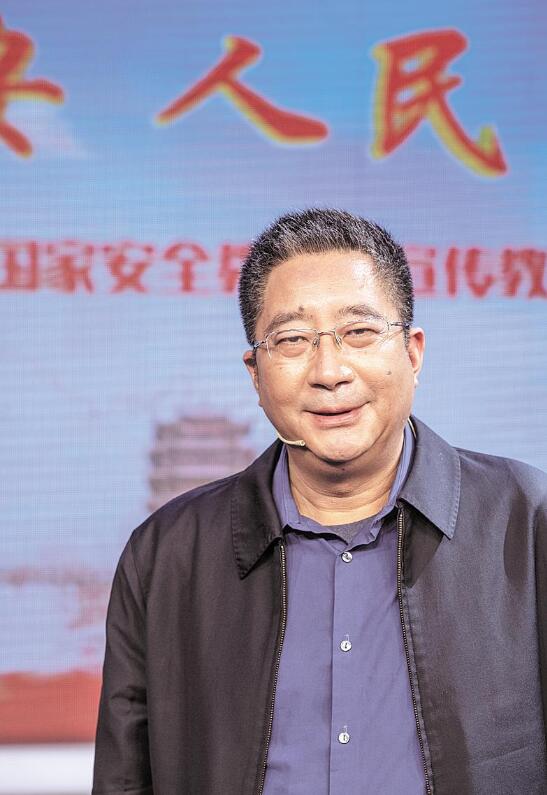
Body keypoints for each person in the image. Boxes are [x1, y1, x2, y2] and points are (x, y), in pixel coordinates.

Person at [92, 208, 547, 795]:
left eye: (359, 332)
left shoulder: (526, 523)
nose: (329, 371)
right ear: (255, 374)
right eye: (292, 340)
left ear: (412, 353)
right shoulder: (167, 556)